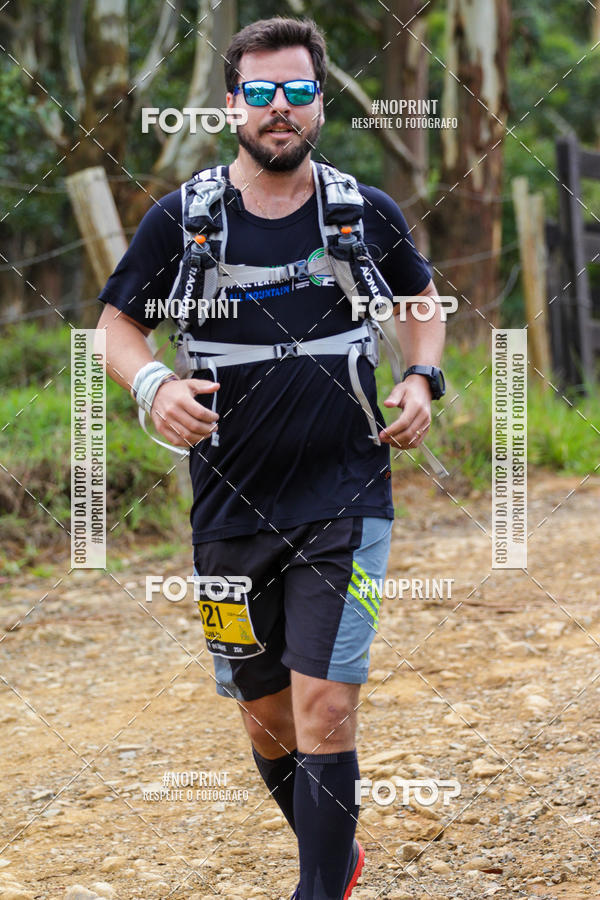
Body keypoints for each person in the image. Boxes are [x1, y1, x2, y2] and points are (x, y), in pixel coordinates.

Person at [97, 16, 445, 900]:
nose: (278, 108)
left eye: (295, 90)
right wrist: (151, 389)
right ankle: (338, 854)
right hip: (227, 507)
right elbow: (117, 329)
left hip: (348, 496)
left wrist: (423, 378)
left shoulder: (363, 211)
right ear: (231, 105)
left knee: (327, 703)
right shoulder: (185, 218)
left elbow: (420, 300)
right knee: (266, 714)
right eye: (260, 92)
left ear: (320, 101)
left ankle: (320, 888)